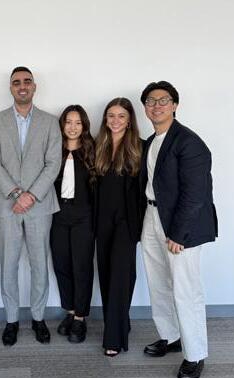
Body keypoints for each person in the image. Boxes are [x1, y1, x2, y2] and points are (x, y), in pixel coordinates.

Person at [140, 81, 217, 378]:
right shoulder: (152, 140)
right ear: (145, 108)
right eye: (151, 101)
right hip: (152, 215)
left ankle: (195, 354)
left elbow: (195, 194)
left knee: (187, 290)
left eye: (163, 100)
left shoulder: (189, 142)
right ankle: (171, 336)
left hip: (181, 225)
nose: (156, 106)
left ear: (174, 105)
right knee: (158, 282)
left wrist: (178, 234)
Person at [0, 66, 62, 346]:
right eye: (16, 82)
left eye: (27, 81)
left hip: (39, 206)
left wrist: (31, 195)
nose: (22, 86)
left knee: (40, 264)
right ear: (10, 88)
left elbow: (53, 163)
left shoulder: (50, 122)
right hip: (6, 205)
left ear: (34, 86)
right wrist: (17, 194)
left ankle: (39, 318)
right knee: (8, 265)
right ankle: (12, 320)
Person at [94, 98, 142, 356]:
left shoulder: (139, 147)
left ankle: (113, 338)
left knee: (121, 276)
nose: (115, 120)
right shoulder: (98, 146)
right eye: (111, 115)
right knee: (106, 274)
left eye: (121, 116)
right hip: (102, 220)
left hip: (127, 221)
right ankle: (120, 322)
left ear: (129, 120)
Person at [50, 105, 96, 344]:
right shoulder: (53, 150)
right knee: (62, 265)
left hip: (83, 216)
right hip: (58, 214)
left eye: (78, 122)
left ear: (84, 126)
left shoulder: (91, 151)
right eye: (68, 122)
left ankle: (80, 317)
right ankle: (69, 310)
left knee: (81, 267)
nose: (73, 127)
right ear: (62, 125)